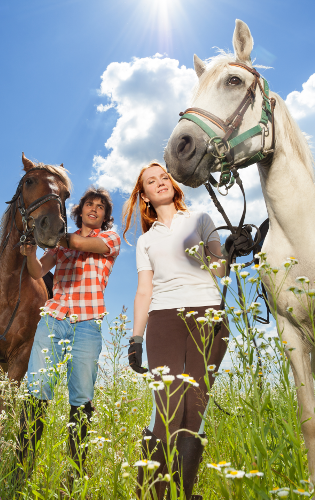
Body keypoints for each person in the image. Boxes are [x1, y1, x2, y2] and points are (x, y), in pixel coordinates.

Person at [122, 162, 229, 500]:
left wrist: (231, 249)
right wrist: (136, 338)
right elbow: (144, 291)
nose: (160, 183)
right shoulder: (146, 241)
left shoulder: (200, 219)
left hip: (208, 313)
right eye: (151, 182)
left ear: (172, 184)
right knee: (168, 407)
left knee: (194, 406)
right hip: (164, 319)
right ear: (145, 196)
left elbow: (219, 267)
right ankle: (153, 494)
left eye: (163, 177)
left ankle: (183, 493)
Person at [18, 186, 120, 475]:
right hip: (54, 318)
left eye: (101, 207)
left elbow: (83, 245)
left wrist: (53, 235)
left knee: (81, 395)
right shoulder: (59, 245)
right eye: (90, 204)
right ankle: (23, 467)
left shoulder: (109, 239)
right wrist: (30, 253)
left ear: (104, 216)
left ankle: (75, 470)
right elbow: (38, 272)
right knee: (38, 388)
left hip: (88, 322)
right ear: (80, 210)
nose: (94, 209)